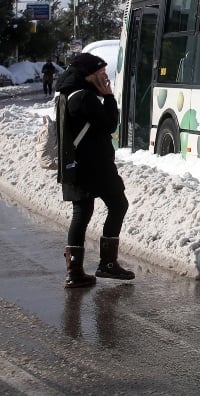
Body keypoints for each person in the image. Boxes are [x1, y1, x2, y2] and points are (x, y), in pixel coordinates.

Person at [57, 52, 135, 288]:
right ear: (88, 75)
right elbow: (110, 125)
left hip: (76, 165)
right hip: (95, 166)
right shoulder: (84, 98)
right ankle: (107, 264)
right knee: (118, 205)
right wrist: (109, 96)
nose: (105, 78)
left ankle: (74, 272)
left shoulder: (68, 93)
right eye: (100, 73)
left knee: (82, 213)